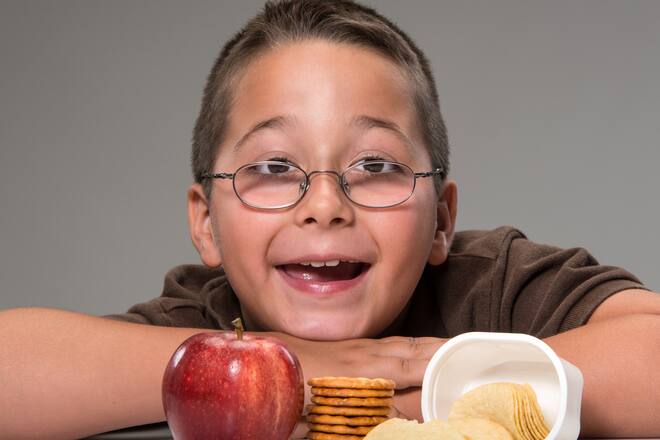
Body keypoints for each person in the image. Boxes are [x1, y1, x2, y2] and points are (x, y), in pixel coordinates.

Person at [1, 0, 659, 438]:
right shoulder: (209, 321)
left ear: (440, 221)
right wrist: (307, 366)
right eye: (273, 168)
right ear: (206, 224)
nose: (323, 207)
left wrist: (401, 399)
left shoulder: (494, 283)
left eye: (376, 167)